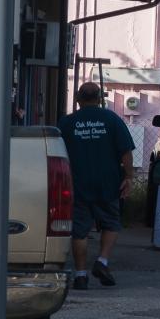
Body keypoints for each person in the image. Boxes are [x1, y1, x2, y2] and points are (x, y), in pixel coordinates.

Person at [57, 83, 135, 290]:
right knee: (111, 223)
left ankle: (81, 275)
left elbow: (56, 152)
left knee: (80, 231)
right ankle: (102, 261)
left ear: (77, 98)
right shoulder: (112, 120)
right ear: (99, 98)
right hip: (108, 183)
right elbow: (126, 152)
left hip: (76, 184)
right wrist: (128, 177)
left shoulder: (66, 123)